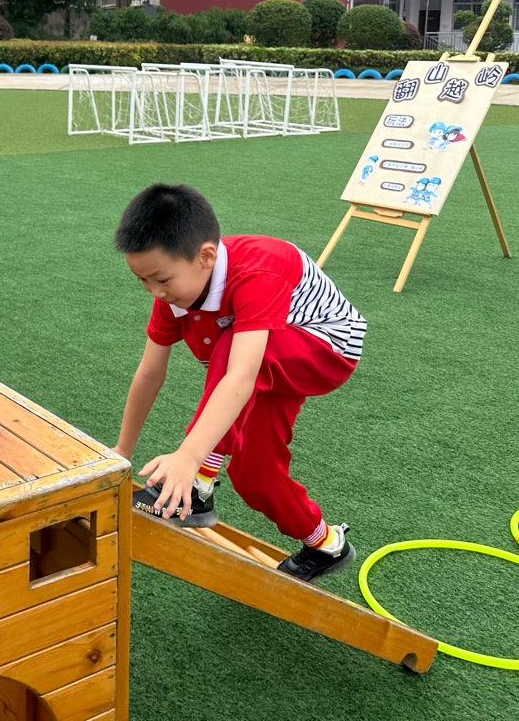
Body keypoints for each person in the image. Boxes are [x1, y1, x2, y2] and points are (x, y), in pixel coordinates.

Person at [112, 183, 365, 581]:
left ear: (206, 257)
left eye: (161, 279)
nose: (155, 292)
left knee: (233, 347)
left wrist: (190, 458)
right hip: (267, 364)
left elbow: (242, 373)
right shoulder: (171, 300)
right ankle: (326, 543)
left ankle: (199, 485)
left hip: (326, 348)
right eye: (143, 281)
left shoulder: (258, 270)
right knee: (254, 475)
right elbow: (149, 373)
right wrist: (122, 451)